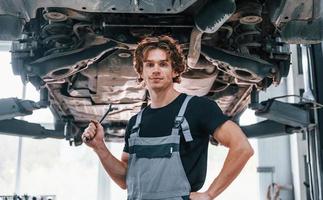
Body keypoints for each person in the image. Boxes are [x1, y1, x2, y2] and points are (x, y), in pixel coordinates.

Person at [82, 35, 254, 200]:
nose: (156, 70)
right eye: (149, 65)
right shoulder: (136, 123)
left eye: (163, 64)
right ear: (141, 72)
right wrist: (99, 147)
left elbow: (242, 147)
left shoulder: (198, 108)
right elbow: (124, 179)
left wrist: (210, 194)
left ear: (175, 70)